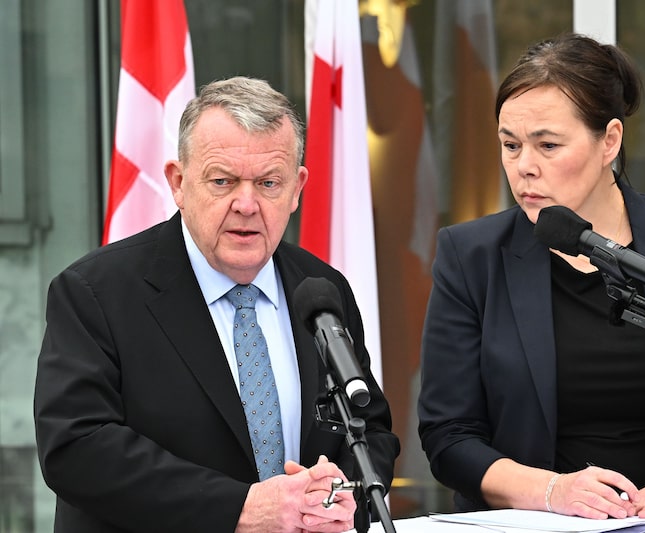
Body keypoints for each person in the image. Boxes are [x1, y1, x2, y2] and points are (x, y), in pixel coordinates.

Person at [417, 33, 645, 521]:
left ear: (610, 141)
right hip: (529, 526)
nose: (524, 168)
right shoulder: (471, 255)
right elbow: (448, 435)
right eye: (510, 145)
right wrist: (552, 491)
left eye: (548, 145)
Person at [34, 76, 400, 533]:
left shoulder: (322, 290)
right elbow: (76, 449)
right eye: (223, 181)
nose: (246, 204)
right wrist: (240, 509)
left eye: (268, 183)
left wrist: (341, 494)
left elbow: (370, 430)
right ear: (179, 183)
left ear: (297, 188)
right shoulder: (95, 292)